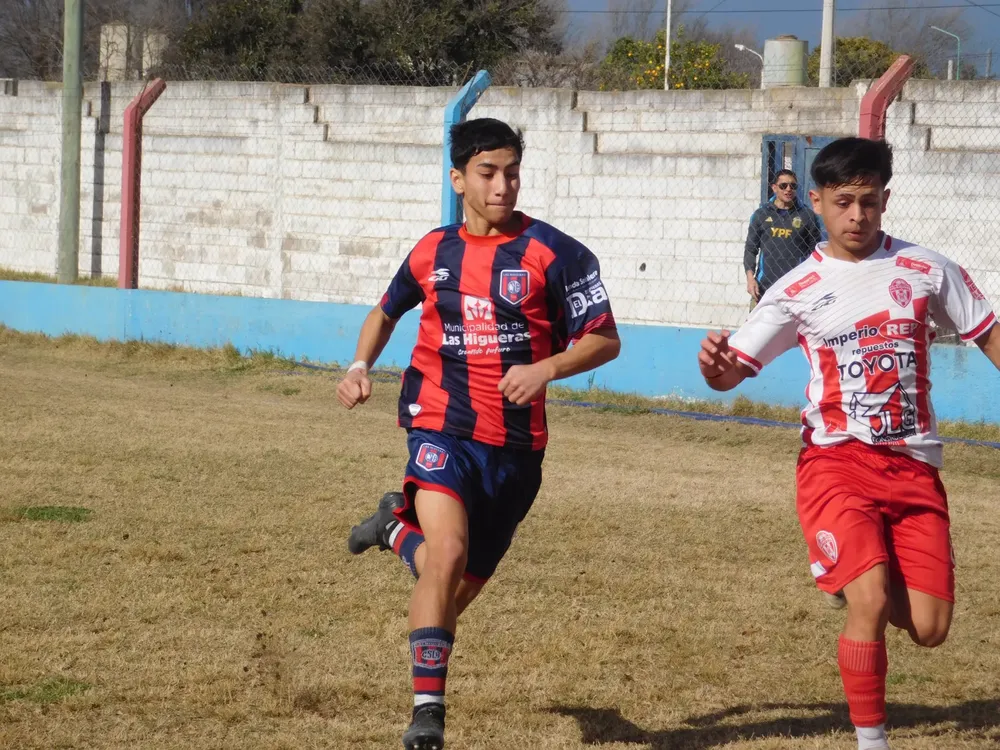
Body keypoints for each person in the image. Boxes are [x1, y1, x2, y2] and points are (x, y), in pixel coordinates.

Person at [698, 137, 999, 750]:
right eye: (843, 202)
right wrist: (712, 366)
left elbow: (989, 335)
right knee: (867, 600)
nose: (857, 215)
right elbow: (731, 373)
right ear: (817, 202)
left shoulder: (928, 269)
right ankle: (871, 741)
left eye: (868, 202)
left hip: (915, 467)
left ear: (885, 199)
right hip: (837, 462)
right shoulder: (797, 287)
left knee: (931, 628)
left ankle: (859, 566)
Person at [337, 117, 621, 750]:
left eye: (512, 172)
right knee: (448, 554)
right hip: (440, 425)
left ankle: (389, 528)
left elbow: (605, 338)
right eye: (488, 173)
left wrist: (545, 368)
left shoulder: (555, 253)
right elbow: (386, 312)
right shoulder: (431, 251)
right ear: (458, 178)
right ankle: (427, 719)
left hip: (517, 451)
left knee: (453, 587)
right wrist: (360, 367)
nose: (502, 185)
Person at [744, 169, 823, 306]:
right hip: (765, 287)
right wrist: (751, 279)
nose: (788, 189)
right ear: (774, 188)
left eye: (793, 186)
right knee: (758, 327)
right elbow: (751, 249)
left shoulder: (807, 216)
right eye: (783, 186)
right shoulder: (760, 215)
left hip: (796, 289)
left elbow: (815, 253)